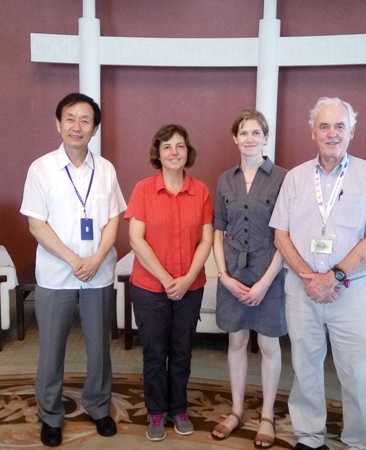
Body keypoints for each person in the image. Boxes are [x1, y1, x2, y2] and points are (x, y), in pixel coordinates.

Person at [269, 97, 366, 450]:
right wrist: (311, 279)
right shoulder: (296, 178)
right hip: (303, 292)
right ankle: (309, 437)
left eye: (339, 126)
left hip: (353, 293)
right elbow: (280, 235)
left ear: (351, 131)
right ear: (313, 133)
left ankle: (357, 441)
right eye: (324, 126)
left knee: (356, 375)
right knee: (305, 368)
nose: (332, 134)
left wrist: (334, 277)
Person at [20, 93, 126, 447]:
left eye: (85, 120)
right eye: (70, 118)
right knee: (51, 349)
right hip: (55, 275)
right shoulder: (41, 169)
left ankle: (98, 406)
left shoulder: (106, 169)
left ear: (94, 129)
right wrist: (72, 259)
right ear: (58, 124)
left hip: (99, 272)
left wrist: (96, 259)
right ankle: (50, 415)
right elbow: (36, 224)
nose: (77, 126)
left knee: (99, 348)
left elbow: (115, 218)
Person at [124, 123, 214, 442]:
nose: (174, 152)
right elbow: (136, 239)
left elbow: (206, 241)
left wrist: (187, 279)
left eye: (180, 146)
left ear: (188, 151)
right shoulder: (143, 189)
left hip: (190, 287)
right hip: (150, 288)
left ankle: (178, 408)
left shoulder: (201, 191)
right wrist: (165, 278)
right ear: (158, 154)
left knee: (181, 351)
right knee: (154, 352)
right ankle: (156, 411)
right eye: (167, 146)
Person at [210, 109, 287, 449]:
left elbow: (286, 237)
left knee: (269, 346)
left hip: (269, 274)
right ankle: (237, 411)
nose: (250, 138)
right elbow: (217, 231)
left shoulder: (283, 178)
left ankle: (267, 416)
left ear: (266, 138)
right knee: (236, 343)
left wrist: (265, 282)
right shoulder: (224, 180)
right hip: (233, 274)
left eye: (257, 132)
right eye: (244, 132)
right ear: (235, 138)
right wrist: (224, 276)